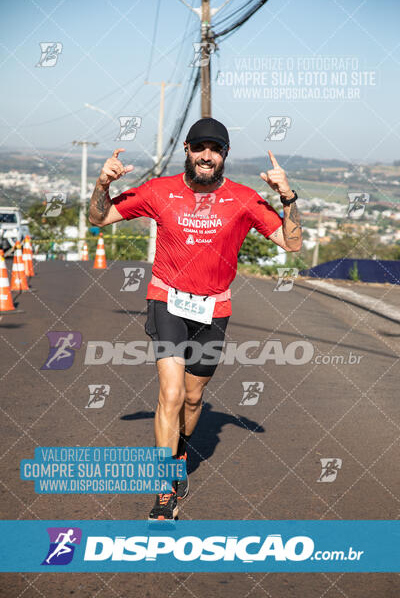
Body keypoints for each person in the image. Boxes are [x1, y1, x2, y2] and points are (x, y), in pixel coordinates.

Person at [88, 118, 302, 520]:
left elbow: (292, 243)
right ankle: (165, 488)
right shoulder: (158, 190)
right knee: (169, 395)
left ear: (224, 156)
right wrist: (102, 185)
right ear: (186, 149)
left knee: (192, 397)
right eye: (200, 147)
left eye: (215, 149)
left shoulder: (243, 199)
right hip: (166, 299)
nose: (207, 155)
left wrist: (288, 197)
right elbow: (99, 220)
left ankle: (181, 444)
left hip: (214, 307)